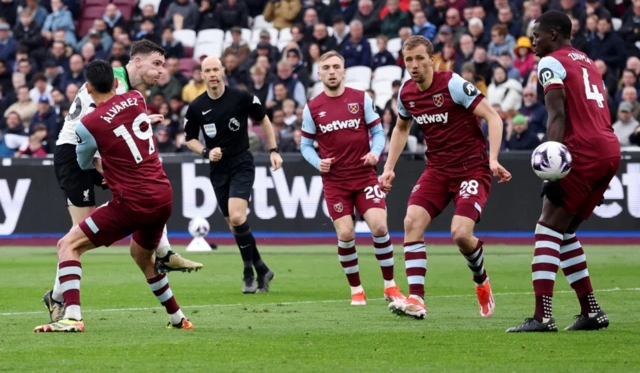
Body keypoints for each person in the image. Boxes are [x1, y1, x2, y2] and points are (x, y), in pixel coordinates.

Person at [46, 40, 202, 322]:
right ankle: (58, 297)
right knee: (79, 232)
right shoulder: (115, 80)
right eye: (156, 64)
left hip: (96, 149)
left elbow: (113, 123)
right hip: (75, 153)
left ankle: (60, 298)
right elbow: (93, 126)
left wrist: (142, 121)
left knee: (143, 183)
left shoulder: (132, 93)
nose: (161, 72)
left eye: (163, 66)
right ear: (137, 62)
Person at [379, 35, 512, 320]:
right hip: (437, 170)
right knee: (411, 221)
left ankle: (481, 281)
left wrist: (493, 159)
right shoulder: (407, 93)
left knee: (461, 234)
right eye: (408, 60)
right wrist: (389, 166)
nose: (413, 65)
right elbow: (401, 129)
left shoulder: (452, 84)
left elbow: (494, 117)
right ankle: (417, 298)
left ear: (431, 59)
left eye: (418, 59)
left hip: (471, 169)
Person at [507, 11, 620, 333]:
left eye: (537, 36)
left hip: (582, 149)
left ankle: (542, 316)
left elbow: (557, 115)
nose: (533, 44)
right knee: (564, 230)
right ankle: (592, 312)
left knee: (546, 228)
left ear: (553, 34)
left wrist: (551, 172)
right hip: (608, 149)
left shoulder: (551, 62)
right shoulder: (585, 60)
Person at [300, 51, 405, 306]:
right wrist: (318, 162)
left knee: (380, 227)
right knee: (346, 234)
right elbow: (305, 146)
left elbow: (379, 133)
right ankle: (356, 288)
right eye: (327, 67)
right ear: (320, 73)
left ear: (344, 71)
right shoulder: (313, 107)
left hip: (364, 176)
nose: (332, 71)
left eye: (337, 66)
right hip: (335, 182)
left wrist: (374, 152)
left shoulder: (360, 99)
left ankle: (390, 286)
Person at [183, 56, 284, 294]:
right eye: (207, 70)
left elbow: (264, 119)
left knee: (238, 218)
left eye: (216, 69)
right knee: (233, 225)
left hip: (241, 163)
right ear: (202, 75)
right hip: (217, 168)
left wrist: (274, 150)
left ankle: (248, 273)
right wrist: (207, 152)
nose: (212, 74)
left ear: (222, 71)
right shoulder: (197, 106)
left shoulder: (241, 97)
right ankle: (263, 269)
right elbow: (189, 140)